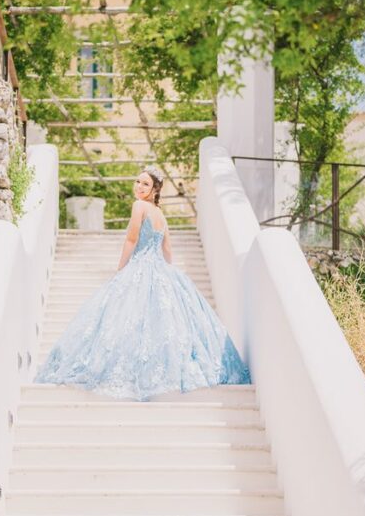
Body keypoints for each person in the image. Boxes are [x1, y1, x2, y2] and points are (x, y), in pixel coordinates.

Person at [33, 165, 251, 400]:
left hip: (139, 265)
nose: (139, 187)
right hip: (159, 268)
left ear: (155, 189)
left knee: (123, 319)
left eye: (145, 184)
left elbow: (131, 238)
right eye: (137, 182)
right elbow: (167, 249)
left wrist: (121, 269)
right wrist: (168, 272)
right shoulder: (161, 214)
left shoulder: (140, 207)